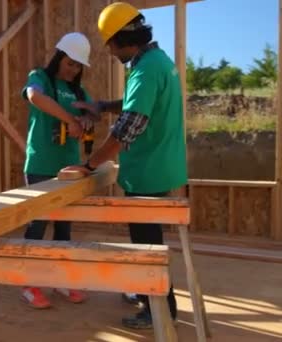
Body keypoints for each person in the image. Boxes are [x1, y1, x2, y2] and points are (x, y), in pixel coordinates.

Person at [61, 2, 187, 329]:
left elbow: (126, 129)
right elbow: (137, 103)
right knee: (147, 239)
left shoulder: (145, 70)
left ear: (120, 39)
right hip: (160, 167)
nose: (111, 52)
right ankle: (145, 295)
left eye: (110, 44)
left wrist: (88, 166)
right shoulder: (157, 62)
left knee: (148, 245)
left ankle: (160, 310)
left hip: (148, 172)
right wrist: (102, 106)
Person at [20, 32, 97, 309]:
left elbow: (93, 111)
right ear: (59, 57)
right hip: (40, 165)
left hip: (69, 168)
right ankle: (29, 282)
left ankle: (60, 279)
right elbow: (33, 97)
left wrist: (87, 120)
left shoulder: (79, 92)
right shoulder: (40, 78)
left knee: (64, 226)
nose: (73, 69)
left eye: (78, 66)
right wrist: (69, 119)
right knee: (38, 224)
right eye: (69, 62)